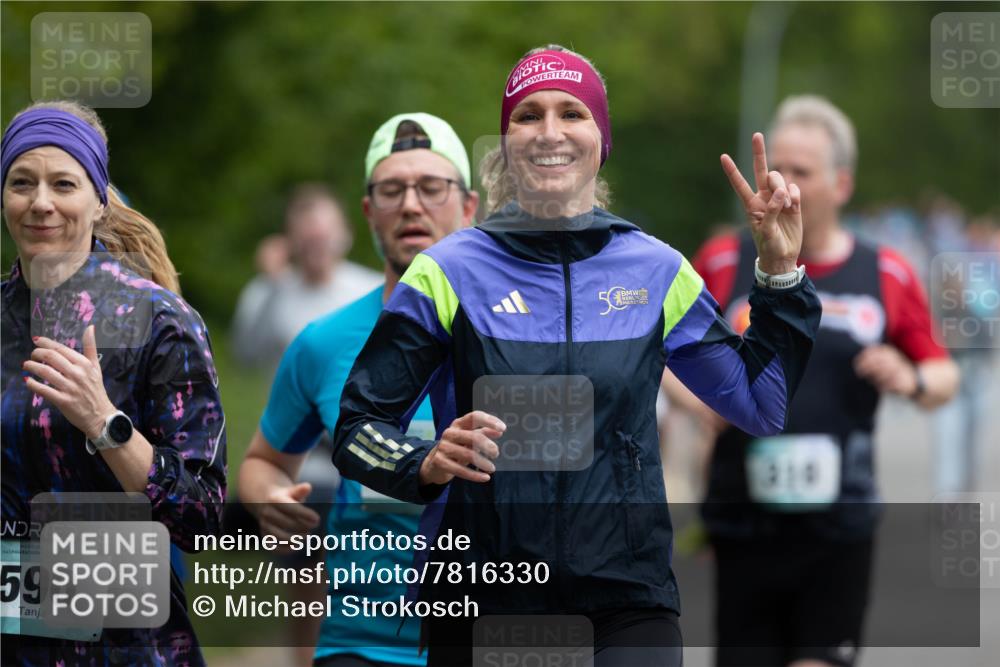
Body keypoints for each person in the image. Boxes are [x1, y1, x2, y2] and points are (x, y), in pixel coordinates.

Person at [331, 45, 822, 667]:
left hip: (626, 599)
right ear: (507, 143)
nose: (550, 132)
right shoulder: (447, 272)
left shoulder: (656, 270)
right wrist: (424, 462)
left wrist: (779, 274)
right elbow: (356, 428)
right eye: (528, 116)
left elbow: (759, 402)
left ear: (601, 138)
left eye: (572, 113)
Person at [687, 95, 960, 667]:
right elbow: (667, 356)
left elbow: (944, 376)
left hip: (838, 524)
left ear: (841, 184)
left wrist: (908, 377)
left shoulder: (884, 272)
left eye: (802, 172)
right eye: (776, 168)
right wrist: (698, 402)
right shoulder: (720, 261)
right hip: (744, 519)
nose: (783, 185)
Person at [238, 112, 478, 667]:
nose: (411, 205)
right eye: (392, 190)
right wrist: (270, 497)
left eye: (431, 188)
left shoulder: (518, 333)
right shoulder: (323, 343)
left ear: (469, 207)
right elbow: (262, 461)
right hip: (362, 641)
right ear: (370, 213)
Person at [1, 101, 226, 666]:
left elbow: (203, 519)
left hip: (129, 649)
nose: (41, 203)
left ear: (99, 201)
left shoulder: (160, 320)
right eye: (21, 183)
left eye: (64, 184)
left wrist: (104, 423)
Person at [231, 183, 382, 370]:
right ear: (290, 239)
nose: (318, 248)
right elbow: (245, 356)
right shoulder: (265, 290)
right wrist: (273, 285)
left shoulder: (375, 289)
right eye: (309, 240)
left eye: (324, 237)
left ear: (346, 235)